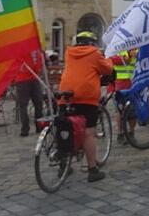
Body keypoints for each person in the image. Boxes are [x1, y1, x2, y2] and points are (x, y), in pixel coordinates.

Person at [58, 31, 113, 182]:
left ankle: (63, 165)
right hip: (86, 97)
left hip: (65, 95)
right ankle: (92, 170)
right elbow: (107, 69)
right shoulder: (94, 53)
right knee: (89, 133)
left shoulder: (69, 52)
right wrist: (108, 60)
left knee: (65, 127)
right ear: (92, 43)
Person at [15, 49, 44, 137]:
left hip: (34, 79)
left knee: (39, 103)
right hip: (22, 79)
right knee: (23, 106)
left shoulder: (37, 50)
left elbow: (39, 61)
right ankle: (25, 129)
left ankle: (39, 126)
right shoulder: (21, 47)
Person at [109, 48, 136, 142]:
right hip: (119, 85)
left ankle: (131, 133)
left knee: (132, 111)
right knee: (120, 111)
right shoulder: (117, 49)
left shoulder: (136, 49)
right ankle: (120, 134)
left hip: (132, 84)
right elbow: (114, 60)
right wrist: (127, 57)